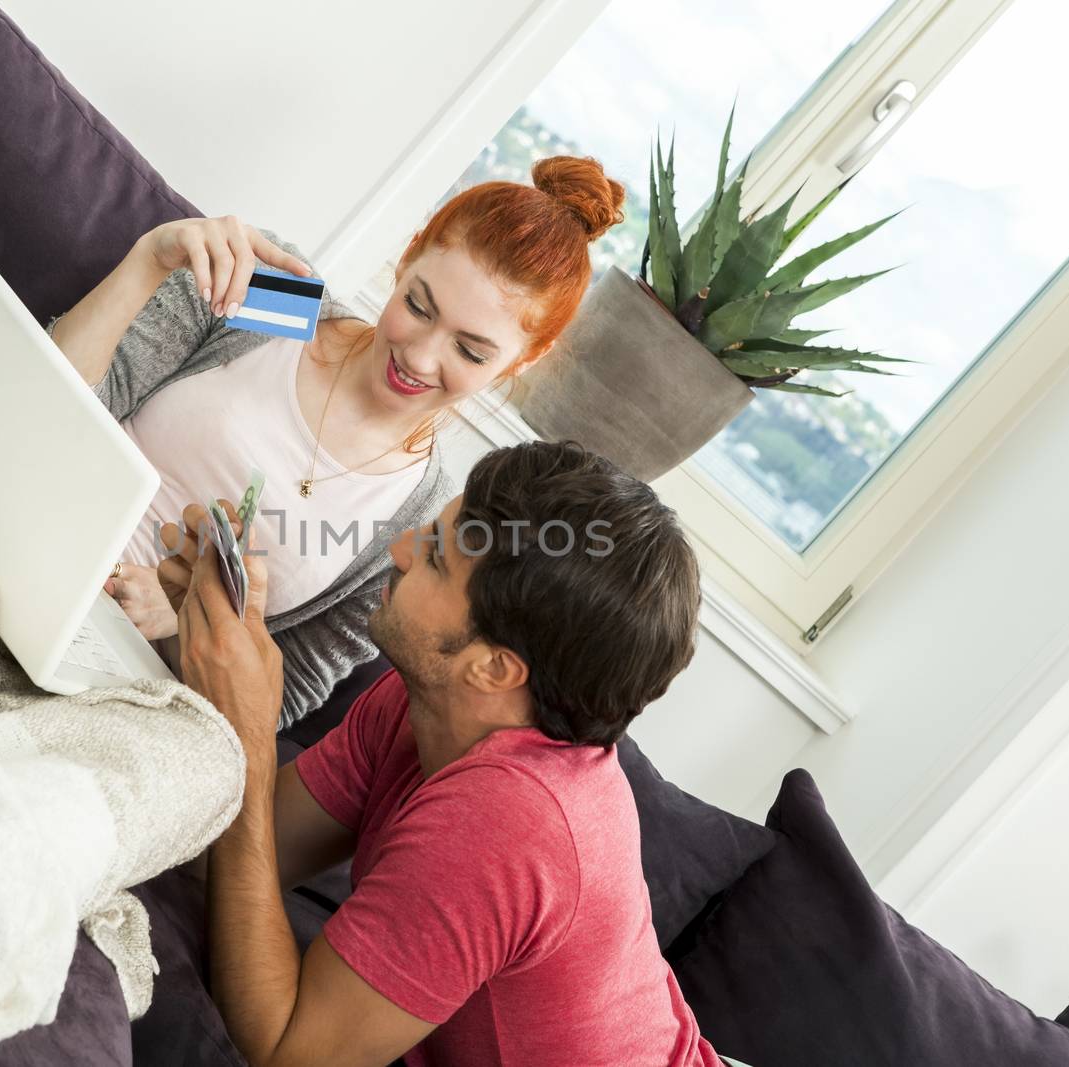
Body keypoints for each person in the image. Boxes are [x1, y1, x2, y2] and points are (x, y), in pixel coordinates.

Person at [156, 440, 726, 1067]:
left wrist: (247, 733)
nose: (400, 551)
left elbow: (286, 1054)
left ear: (493, 669)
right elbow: (218, 860)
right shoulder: (422, 699)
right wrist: (217, 646)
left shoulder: (510, 819)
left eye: (433, 559)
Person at [46, 156, 626, 728]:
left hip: (113, 692)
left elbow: (271, 708)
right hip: (33, 528)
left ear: (527, 359)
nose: (420, 357)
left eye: (471, 351)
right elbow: (49, 398)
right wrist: (150, 260)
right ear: (407, 256)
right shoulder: (279, 299)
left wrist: (184, 624)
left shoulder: (421, 517)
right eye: (418, 306)